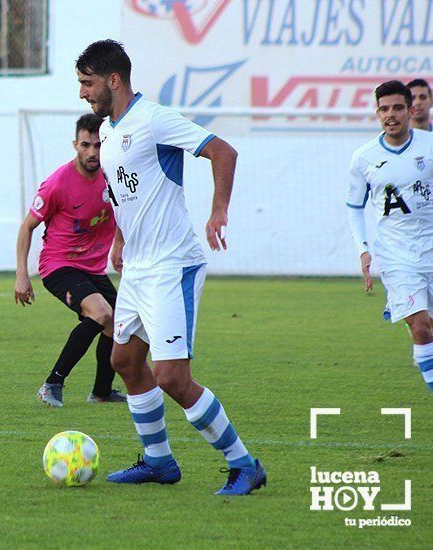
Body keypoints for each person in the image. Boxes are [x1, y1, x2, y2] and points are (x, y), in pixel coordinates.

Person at [76, 40, 266, 496]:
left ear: (113, 80)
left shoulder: (154, 119)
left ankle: (244, 464)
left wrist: (218, 211)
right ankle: (159, 463)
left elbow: (223, 152)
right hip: (138, 267)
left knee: (172, 377)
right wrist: (121, 240)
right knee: (124, 361)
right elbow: (127, 190)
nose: (83, 93)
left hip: (171, 264)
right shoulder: (106, 130)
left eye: (88, 83)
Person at [15, 113, 126, 407]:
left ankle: (101, 392)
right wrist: (22, 275)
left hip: (93, 268)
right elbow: (27, 227)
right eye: (86, 145)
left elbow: (120, 211)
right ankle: (52, 384)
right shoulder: (57, 184)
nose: (92, 153)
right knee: (102, 314)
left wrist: (119, 244)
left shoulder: (112, 175)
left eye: (98, 145)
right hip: (59, 265)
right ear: (75, 144)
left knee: (120, 323)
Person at [347, 80, 433, 392]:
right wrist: (363, 249)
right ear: (377, 113)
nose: (390, 114)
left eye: (397, 107)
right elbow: (354, 206)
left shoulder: (428, 146)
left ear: (410, 110)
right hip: (397, 256)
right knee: (420, 327)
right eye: (384, 109)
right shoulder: (364, 157)